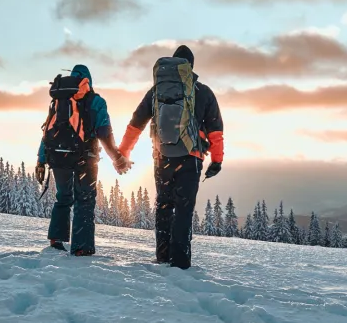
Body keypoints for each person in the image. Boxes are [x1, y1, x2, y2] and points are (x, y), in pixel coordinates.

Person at [118, 45, 224, 269]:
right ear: (190, 67)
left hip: (162, 157)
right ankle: (180, 262)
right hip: (191, 157)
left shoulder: (157, 91)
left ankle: (163, 256)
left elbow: (135, 124)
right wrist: (217, 160)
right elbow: (215, 131)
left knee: (164, 206)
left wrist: (124, 152)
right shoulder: (203, 92)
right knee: (184, 210)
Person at [35, 64, 129, 256]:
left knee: (63, 197)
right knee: (84, 200)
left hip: (58, 156)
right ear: (88, 81)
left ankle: (56, 239)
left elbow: (47, 132)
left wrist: (41, 160)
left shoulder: (60, 100)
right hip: (85, 158)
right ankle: (81, 248)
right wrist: (117, 158)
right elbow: (104, 133)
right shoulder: (96, 101)